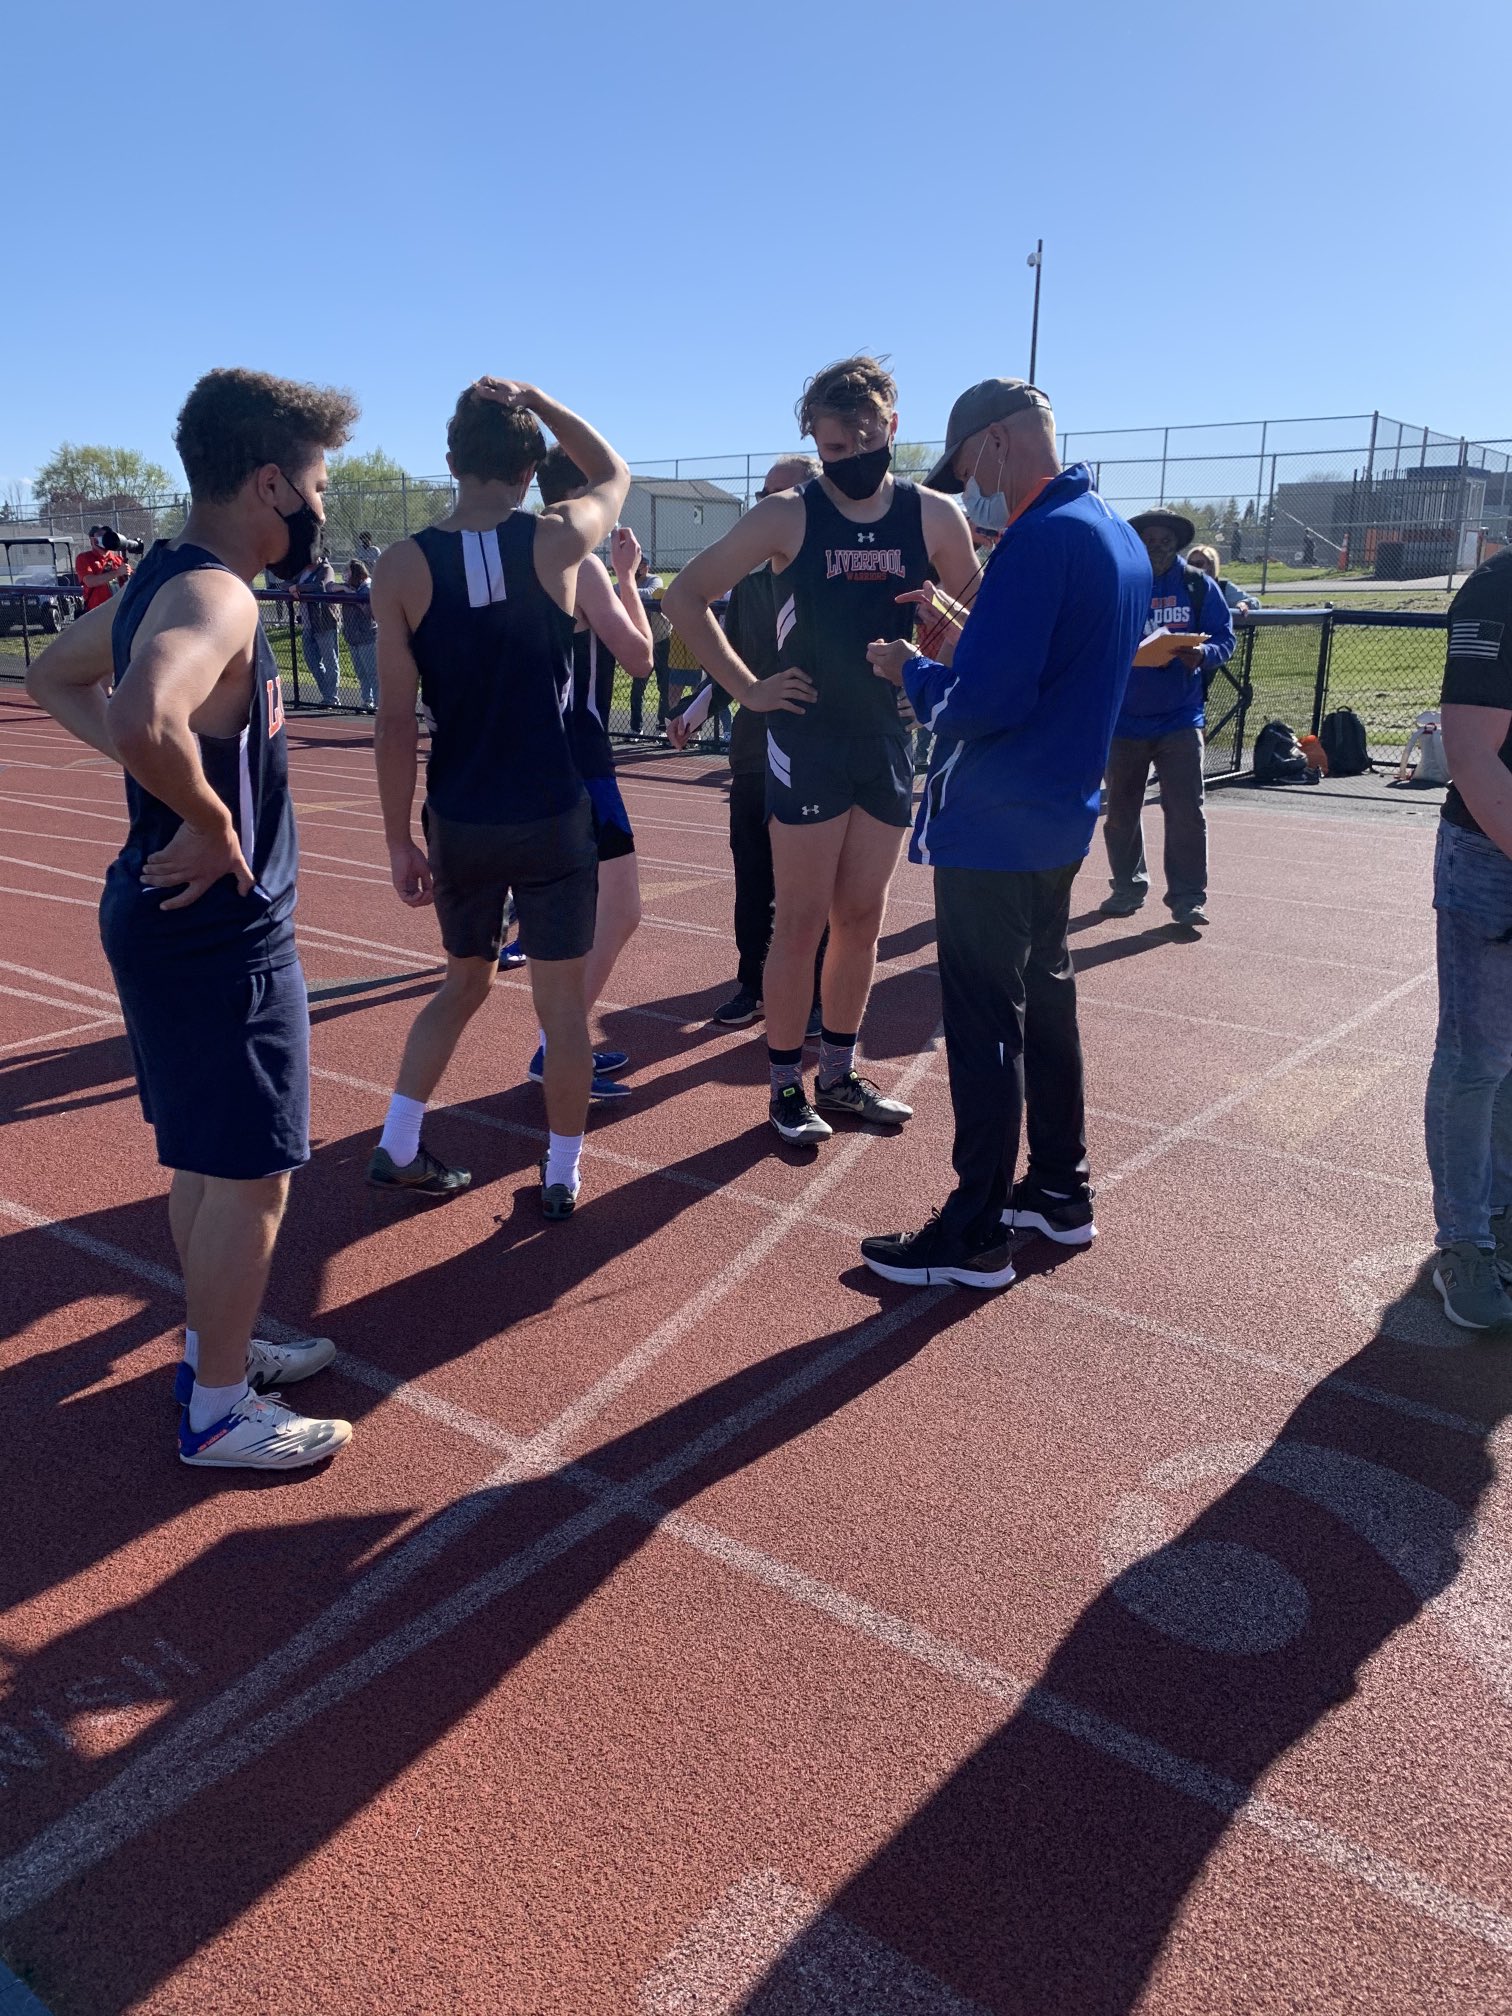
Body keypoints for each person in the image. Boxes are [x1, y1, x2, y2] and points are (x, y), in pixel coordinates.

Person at [24, 366, 358, 1468]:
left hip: (163, 914)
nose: (321, 506)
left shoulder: (162, 575)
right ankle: (219, 1411)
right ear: (268, 483)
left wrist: (177, 795)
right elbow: (137, 711)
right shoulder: (217, 593)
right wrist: (210, 820)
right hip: (217, 928)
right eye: (315, 482)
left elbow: (55, 680)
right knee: (256, 1173)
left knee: (209, 1165)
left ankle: (221, 1344)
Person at [857, 377, 1150, 1289]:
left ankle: (974, 1229)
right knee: (1047, 999)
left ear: (995, 444)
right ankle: (1059, 1189)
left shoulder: (1039, 539)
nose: (963, 494)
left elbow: (984, 701)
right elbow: (1049, 660)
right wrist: (961, 636)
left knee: (985, 1023)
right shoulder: (1116, 533)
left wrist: (911, 669)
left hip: (995, 822)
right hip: (1062, 814)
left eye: (963, 469)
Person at [666, 355, 978, 1146]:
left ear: (892, 428)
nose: (845, 460)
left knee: (862, 917)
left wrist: (934, 673)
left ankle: (838, 1075)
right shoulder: (788, 515)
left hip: (885, 740)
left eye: (858, 442)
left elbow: (975, 617)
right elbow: (684, 596)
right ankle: (783, 1086)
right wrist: (746, 689)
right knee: (798, 921)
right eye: (830, 449)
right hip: (805, 739)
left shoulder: (935, 514)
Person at [368, 379, 630, 1220]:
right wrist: (544, 401)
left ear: (451, 461)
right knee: (560, 1009)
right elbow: (611, 469)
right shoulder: (557, 539)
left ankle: (400, 1144)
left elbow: (395, 720)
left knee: (462, 982)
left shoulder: (402, 564)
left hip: (461, 815)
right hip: (551, 809)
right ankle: (560, 1175)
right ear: (527, 468)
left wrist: (397, 842)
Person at [669, 453, 828, 1031]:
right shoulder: (749, 587)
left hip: (818, 762)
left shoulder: (834, 581)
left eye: (777, 496)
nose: (766, 508)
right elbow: (728, 668)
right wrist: (695, 708)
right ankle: (750, 983)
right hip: (755, 758)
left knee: (812, 890)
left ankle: (813, 997)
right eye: (762, 496)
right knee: (754, 879)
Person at [529, 443, 657, 1100]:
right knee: (622, 909)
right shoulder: (581, 564)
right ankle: (559, 1047)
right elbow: (640, 660)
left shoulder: (519, 555)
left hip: (535, 758)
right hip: (582, 759)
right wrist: (628, 578)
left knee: (573, 912)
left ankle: (559, 1042)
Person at [1425, 549, 1512, 1329]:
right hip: (1493, 855)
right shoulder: (1499, 588)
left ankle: (1500, 1218)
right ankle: (1466, 1243)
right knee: (1477, 1057)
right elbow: (1472, 749)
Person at [1100, 509, 1235, 930]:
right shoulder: (1121, 584)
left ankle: (1188, 897)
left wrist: (1205, 655)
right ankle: (1127, 886)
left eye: (1164, 540)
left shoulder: (1198, 586)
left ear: (1176, 543)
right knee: (1121, 811)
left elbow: (1225, 638)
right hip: (1124, 719)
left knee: (1185, 811)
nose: (1156, 546)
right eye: (1148, 539)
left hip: (1180, 718)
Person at [628, 556, 669, 736]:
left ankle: (662, 727)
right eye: (638, 565)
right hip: (642, 641)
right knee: (638, 687)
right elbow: (614, 589)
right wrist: (628, 584)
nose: (641, 568)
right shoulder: (630, 580)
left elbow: (652, 592)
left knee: (665, 686)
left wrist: (629, 589)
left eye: (643, 565)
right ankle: (636, 728)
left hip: (661, 640)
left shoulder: (655, 579)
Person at [294, 552, 341, 704]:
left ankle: (331, 697)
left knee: (330, 661)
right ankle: (327, 693)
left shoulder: (325, 569)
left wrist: (298, 588)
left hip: (324, 623)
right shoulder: (302, 571)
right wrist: (295, 587)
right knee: (312, 661)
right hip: (308, 625)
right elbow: (286, 584)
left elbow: (320, 586)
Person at [344, 558, 378, 709]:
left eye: (348, 572)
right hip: (353, 637)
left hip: (367, 637)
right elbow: (330, 587)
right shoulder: (348, 587)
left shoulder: (368, 588)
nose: (345, 575)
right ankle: (367, 701)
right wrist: (347, 591)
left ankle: (379, 703)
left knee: (372, 673)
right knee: (361, 673)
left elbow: (370, 613)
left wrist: (355, 599)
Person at [1187, 541, 1257, 614]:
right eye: (1190, 564)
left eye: (1199, 564)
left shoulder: (1223, 587)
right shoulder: (1182, 586)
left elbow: (1254, 601)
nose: (1194, 567)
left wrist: (1244, 604)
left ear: (1211, 565)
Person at [77, 525, 132, 612]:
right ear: (92, 540)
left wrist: (129, 573)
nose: (104, 539)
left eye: (106, 536)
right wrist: (116, 573)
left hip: (119, 610)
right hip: (97, 612)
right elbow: (90, 581)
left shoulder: (118, 560)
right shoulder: (84, 558)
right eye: (100, 536)